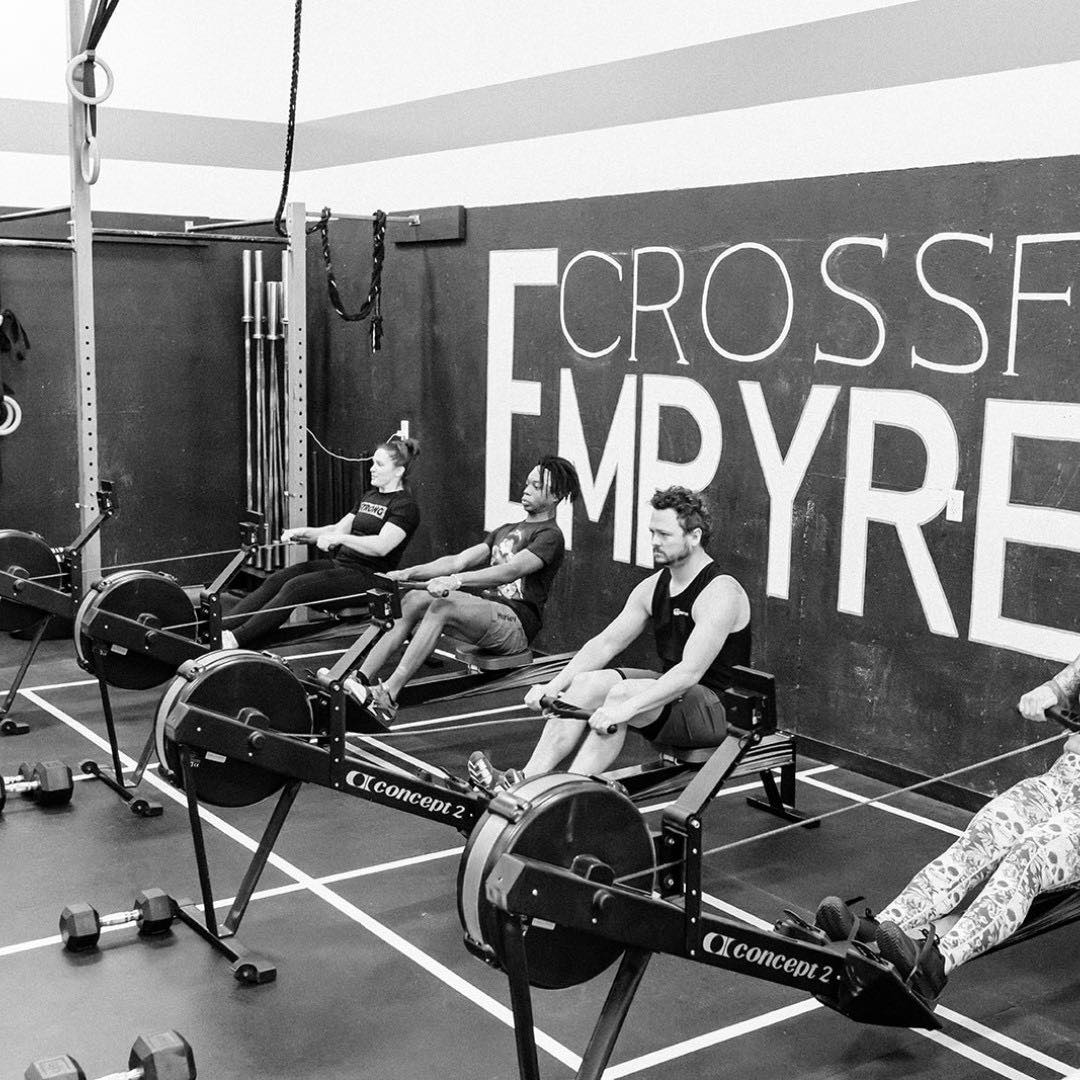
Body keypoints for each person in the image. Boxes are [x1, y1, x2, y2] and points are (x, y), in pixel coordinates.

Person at [813, 663, 1080, 1007]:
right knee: (986, 833)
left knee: (1032, 853)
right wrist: (1052, 691)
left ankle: (938, 963)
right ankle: (885, 926)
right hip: (1065, 778)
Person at [469, 486, 751, 790]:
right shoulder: (655, 585)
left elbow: (689, 673)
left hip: (721, 712)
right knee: (585, 684)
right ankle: (526, 781)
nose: (654, 542)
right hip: (679, 696)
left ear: (694, 537)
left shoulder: (720, 592)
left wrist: (625, 710)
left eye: (665, 535)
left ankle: (565, 795)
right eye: (652, 533)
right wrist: (553, 687)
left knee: (622, 694)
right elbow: (605, 643)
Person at [343, 455, 581, 724]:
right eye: (527, 483)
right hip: (487, 616)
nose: (526, 489)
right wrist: (408, 572)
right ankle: (359, 680)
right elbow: (457, 561)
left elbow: (510, 571)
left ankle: (388, 694)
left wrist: (456, 581)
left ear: (557, 495)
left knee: (443, 604)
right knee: (414, 598)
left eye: (537, 486)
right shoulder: (506, 530)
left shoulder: (550, 536)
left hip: (516, 624)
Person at [221, 437, 421, 648]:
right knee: (278, 578)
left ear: (398, 471)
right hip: (343, 566)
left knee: (296, 588)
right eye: (373, 463)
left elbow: (382, 546)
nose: (372, 469)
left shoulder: (405, 506)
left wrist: (341, 539)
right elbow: (336, 529)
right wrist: (304, 533)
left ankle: (235, 640)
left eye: (379, 465)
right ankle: (217, 628)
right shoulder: (370, 496)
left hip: (371, 578)